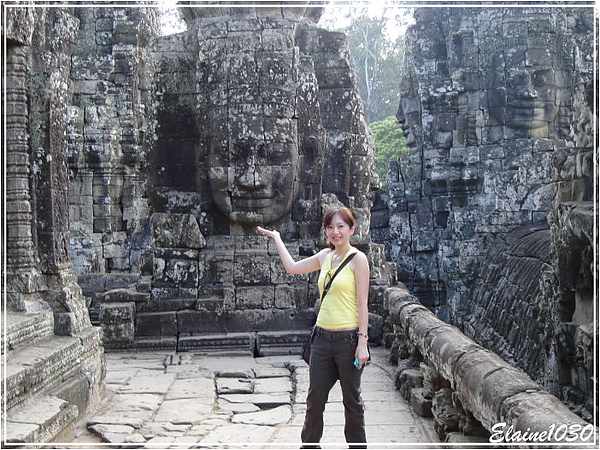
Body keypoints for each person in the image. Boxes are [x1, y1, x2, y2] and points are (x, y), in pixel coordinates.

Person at [257, 206, 370, 448]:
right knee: (314, 400)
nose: (335, 232)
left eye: (341, 226)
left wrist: (362, 343)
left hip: (348, 341)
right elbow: (292, 267)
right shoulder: (324, 257)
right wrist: (277, 239)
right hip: (321, 340)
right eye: (330, 227)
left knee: (352, 401)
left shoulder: (358, 260)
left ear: (352, 229)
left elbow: (363, 304)